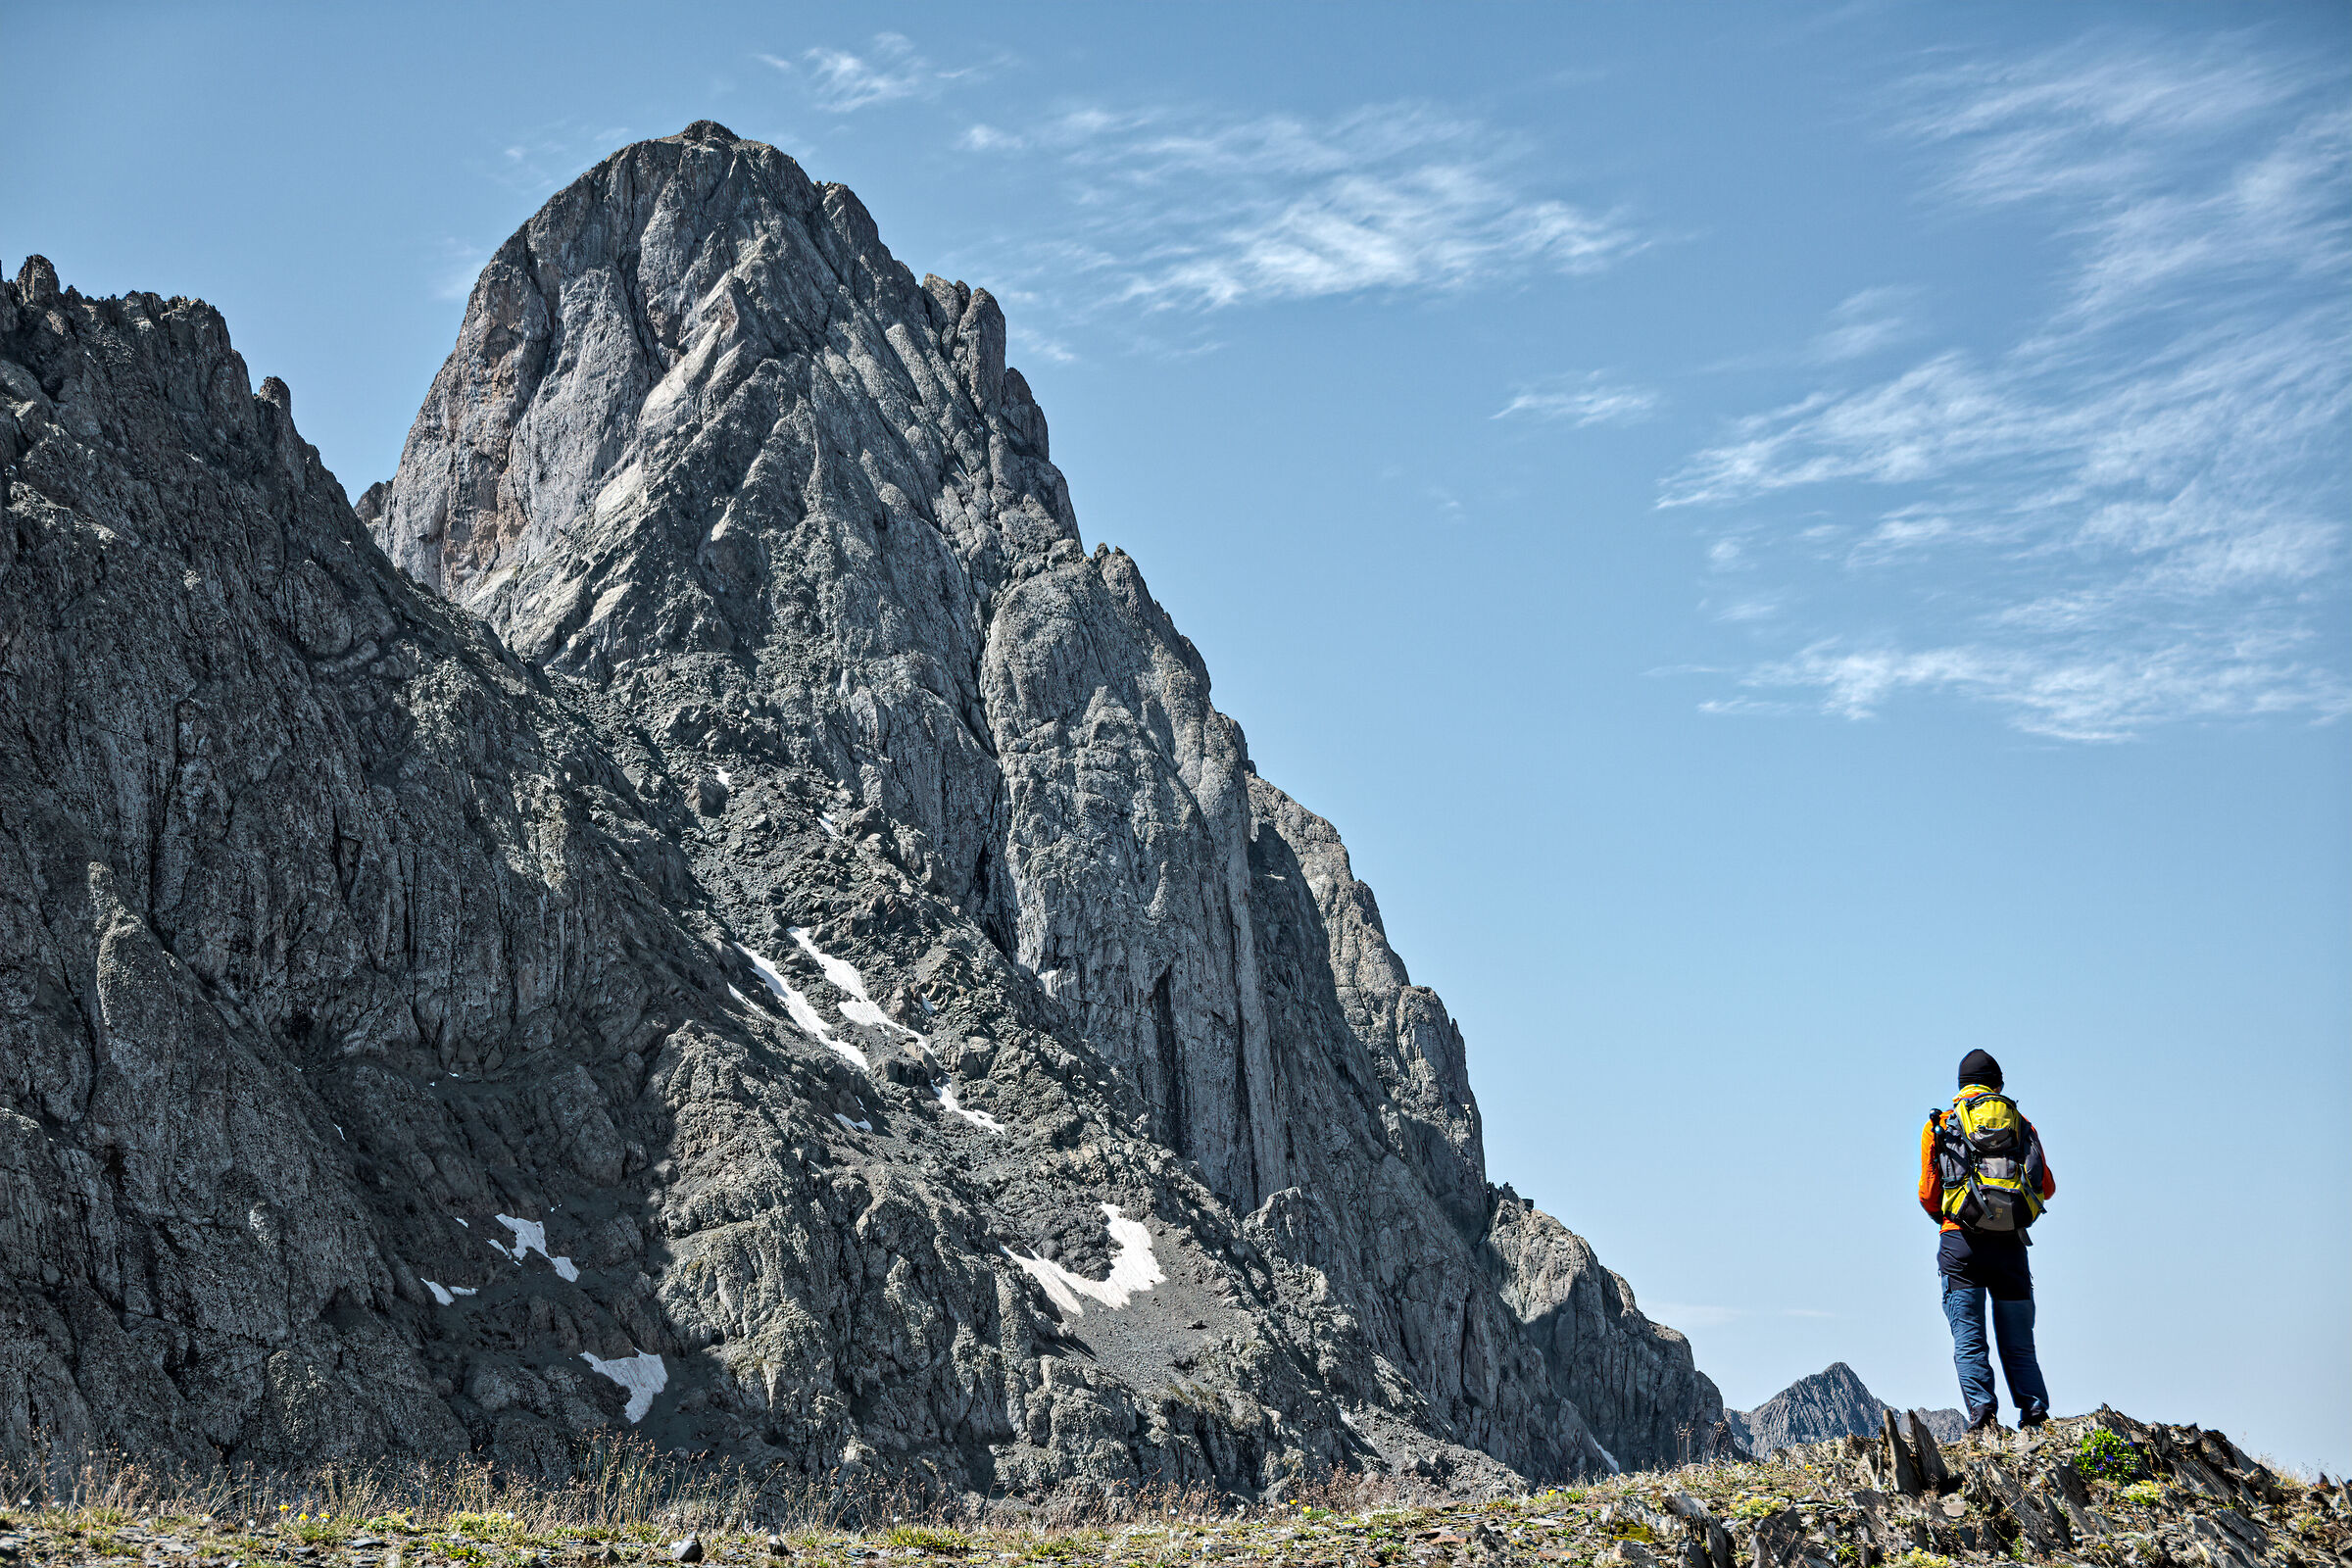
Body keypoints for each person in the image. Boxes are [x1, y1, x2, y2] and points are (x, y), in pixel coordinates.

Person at [1918, 1049, 2055, 1433]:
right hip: (2010, 1246)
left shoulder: (1942, 1124)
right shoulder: (2021, 1123)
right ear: (1998, 1086)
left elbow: (1929, 1195)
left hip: (1959, 1244)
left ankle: (1984, 1417)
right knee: (2019, 1342)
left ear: (1961, 1087)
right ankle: (2035, 1415)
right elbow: (2047, 1187)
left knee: (1969, 1338)